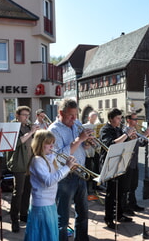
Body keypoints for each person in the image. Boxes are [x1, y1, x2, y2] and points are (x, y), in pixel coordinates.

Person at [48, 98, 93, 241]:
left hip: (81, 172)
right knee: (63, 217)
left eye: (76, 115)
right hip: (65, 176)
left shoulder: (77, 124)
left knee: (83, 213)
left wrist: (87, 143)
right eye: (70, 115)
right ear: (61, 113)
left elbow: (81, 148)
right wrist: (79, 139)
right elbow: (60, 157)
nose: (74, 119)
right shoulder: (53, 130)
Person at [24, 130, 77, 241]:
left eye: (53, 142)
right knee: (43, 235)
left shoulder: (50, 157)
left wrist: (68, 167)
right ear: (40, 144)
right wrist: (67, 167)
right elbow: (48, 181)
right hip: (41, 204)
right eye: (49, 143)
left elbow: (57, 173)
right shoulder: (37, 160)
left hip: (50, 203)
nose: (52, 146)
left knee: (50, 234)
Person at [99, 108, 136, 229]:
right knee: (110, 193)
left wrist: (131, 137)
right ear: (110, 119)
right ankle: (108, 218)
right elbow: (111, 144)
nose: (120, 121)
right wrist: (126, 134)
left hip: (120, 161)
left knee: (120, 190)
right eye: (118, 118)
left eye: (121, 118)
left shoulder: (118, 129)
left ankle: (119, 215)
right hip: (110, 163)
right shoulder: (105, 130)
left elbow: (125, 143)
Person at [6, 106, 39, 232]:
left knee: (27, 191)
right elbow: (15, 143)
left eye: (28, 115)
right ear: (17, 115)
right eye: (24, 115)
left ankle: (24, 215)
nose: (26, 117)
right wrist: (31, 132)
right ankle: (14, 219)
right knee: (18, 192)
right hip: (19, 163)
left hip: (30, 163)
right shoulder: (12, 127)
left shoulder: (27, 126)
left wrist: (37, 133)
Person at [122, 113, 149, 215]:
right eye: (134, 119)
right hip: (127, 162)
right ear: (128, 120)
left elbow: (141, 143)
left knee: (134, 184)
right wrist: (142, 136)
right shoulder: (124, 130)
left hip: (134, 161)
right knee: (126, 186)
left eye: (137, 119)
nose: (136, 121)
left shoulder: (135, 131)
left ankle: (132, 204)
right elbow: (127, 143)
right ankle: (125, 207)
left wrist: (145, 136)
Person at [83, 111, 101, 194]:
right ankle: (87, 188)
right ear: (89, 118)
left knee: (97, 168)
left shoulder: (97, 126)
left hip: (96, 149)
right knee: (88, 169)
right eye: (93, 117)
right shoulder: (84, 126)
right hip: (88, 151)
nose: (94, 119)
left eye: (95, 117)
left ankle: (96, 185)